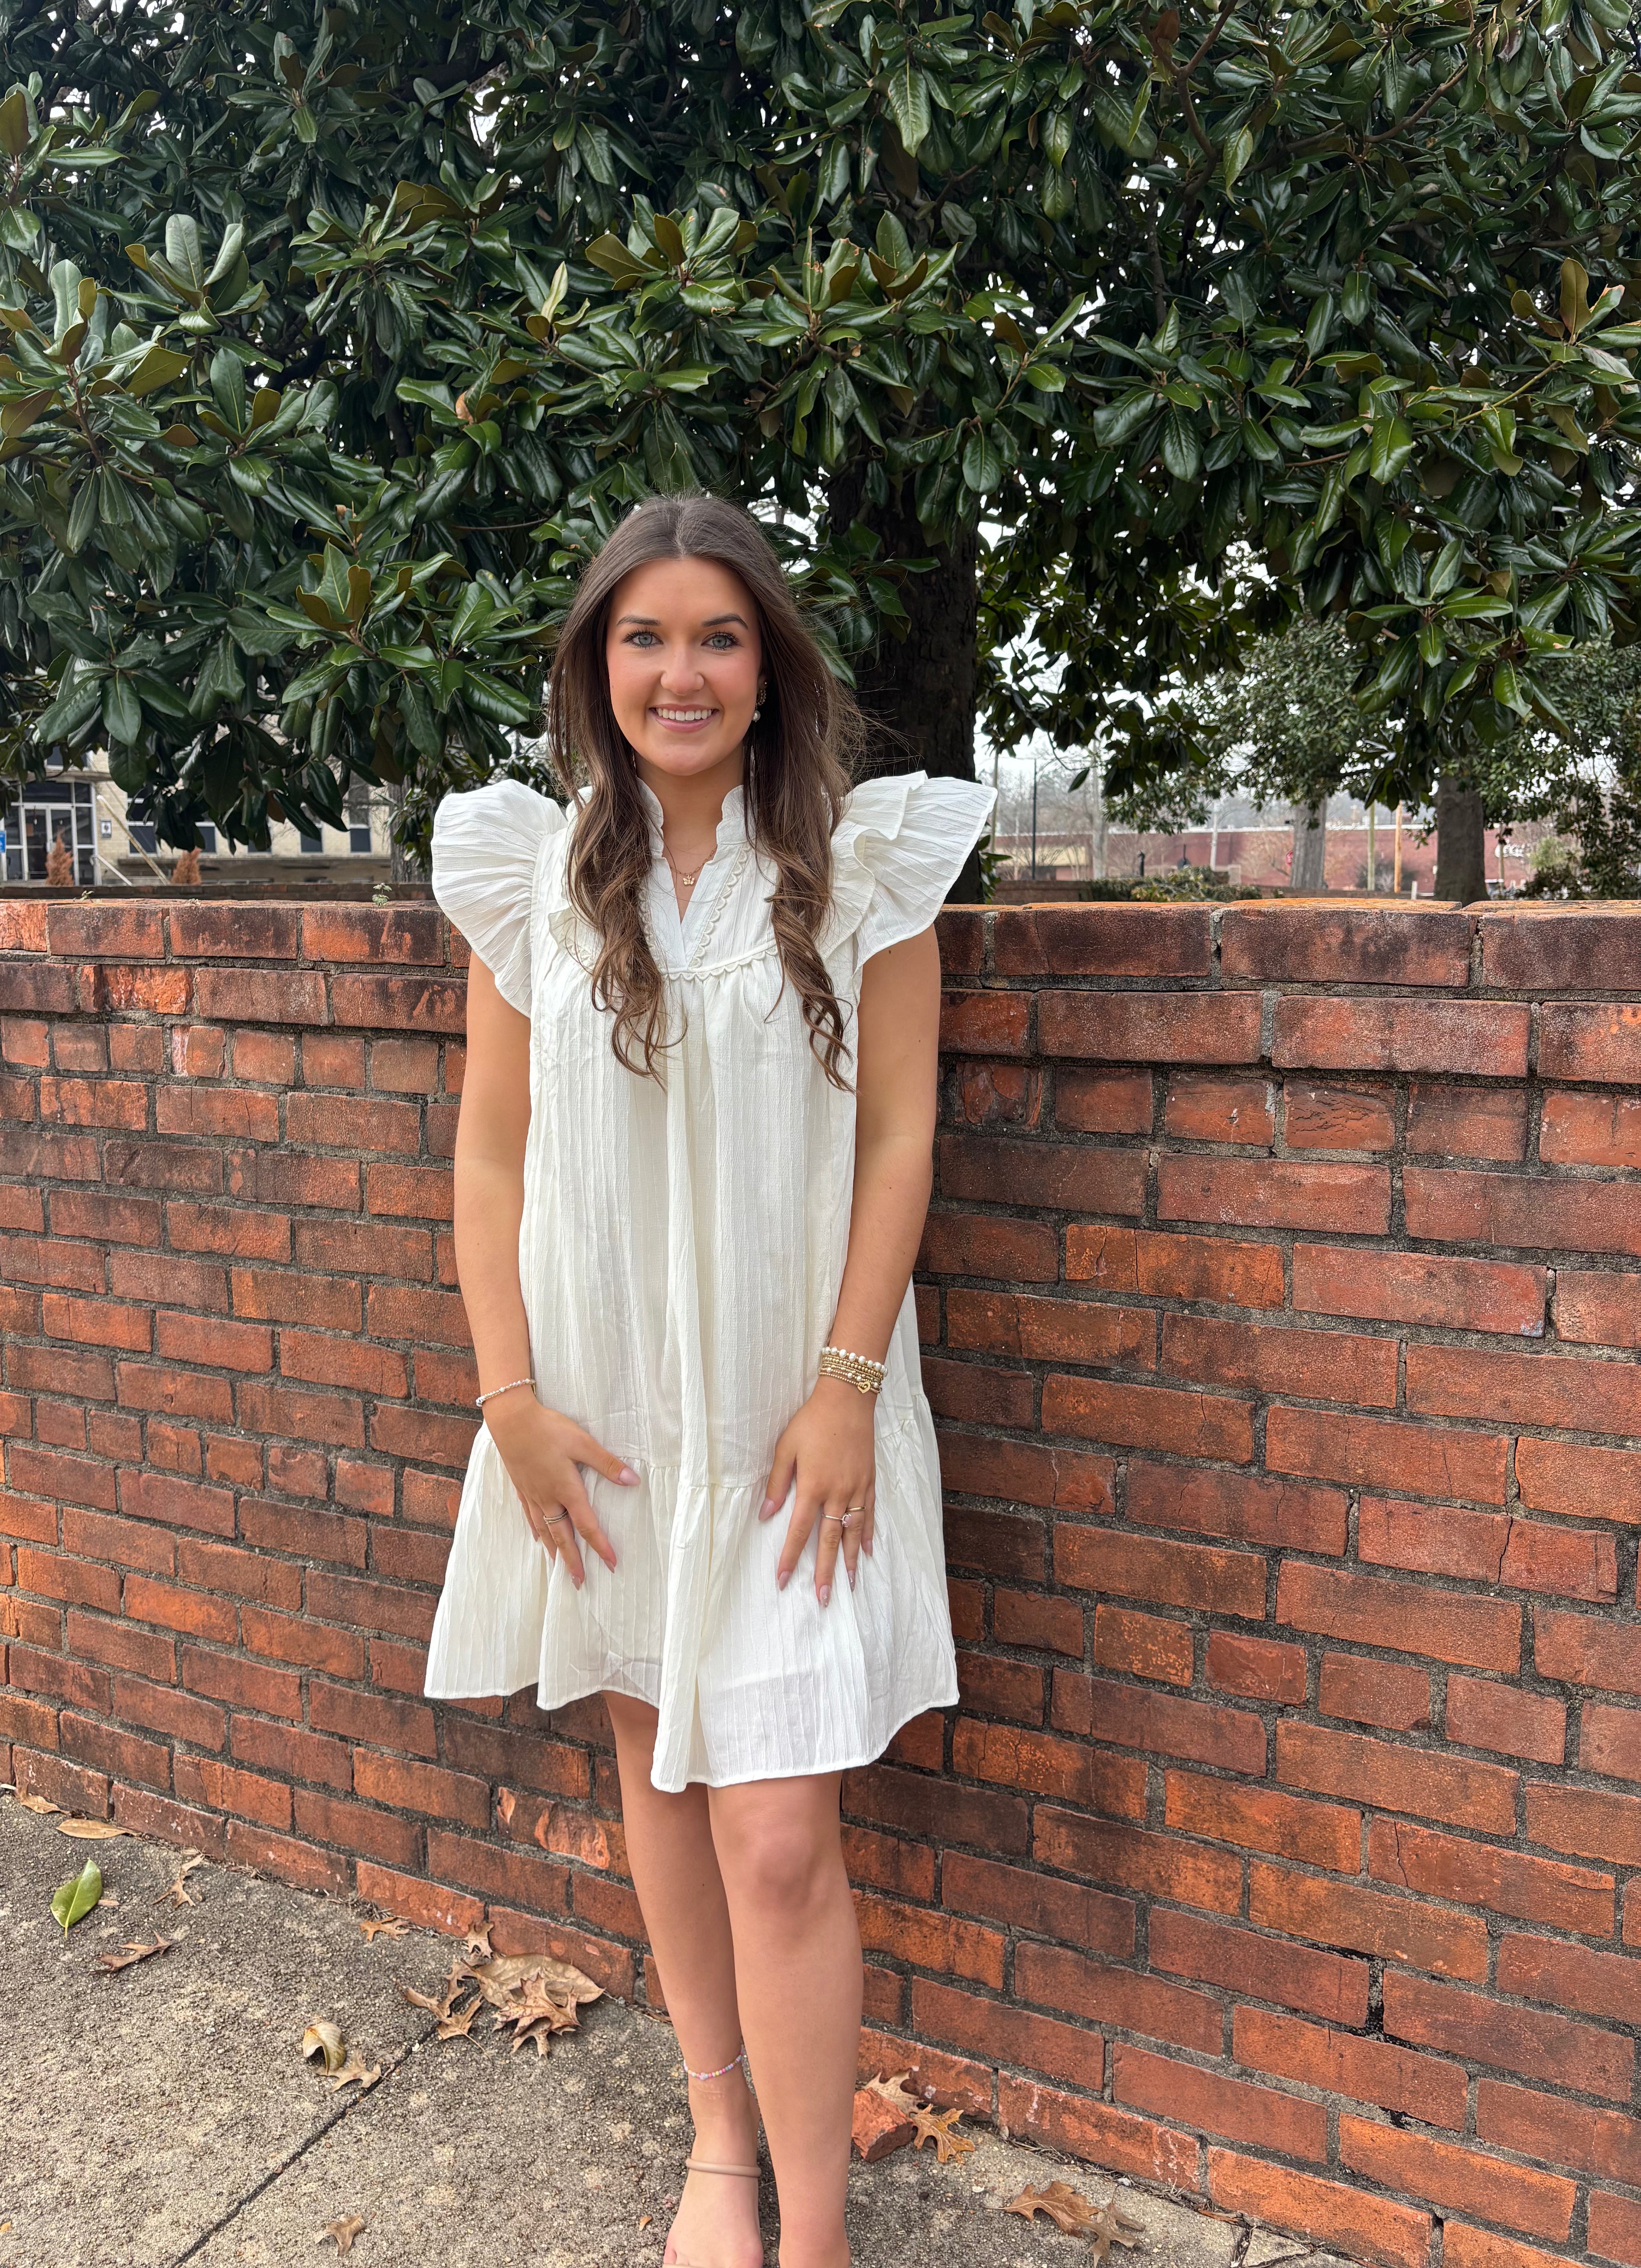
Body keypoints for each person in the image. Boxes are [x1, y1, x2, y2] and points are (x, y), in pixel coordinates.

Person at [424, 494, 993, 2268]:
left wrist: (844, 1377)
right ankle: (723, 2142)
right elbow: (492, 1159)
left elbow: (901, 1131)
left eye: (719, 635)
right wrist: (506, 1400)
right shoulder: (534, 870)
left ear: (770, 665)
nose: (682, 670)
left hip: (789, 1420)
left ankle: (809, 2228)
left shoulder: (863, 860)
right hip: (600, 1413)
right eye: (645, 636)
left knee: (774, 1832)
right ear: (599, 666)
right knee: (657, 1773)